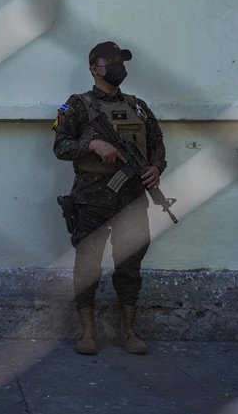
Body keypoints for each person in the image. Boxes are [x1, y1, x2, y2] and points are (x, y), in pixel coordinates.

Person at [53, 41, 167, 355]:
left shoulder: (139, 106)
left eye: (121, 61)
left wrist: (156, 168)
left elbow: (157, 142)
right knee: (88, 265)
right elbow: (60, 147)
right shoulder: (76, 105)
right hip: (91, 200)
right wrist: (92, 146)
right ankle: (87, 332)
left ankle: (128, 330)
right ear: (94, 68)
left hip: (132, 201)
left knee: (130, 267)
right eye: (111, 61)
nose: (119, 66)